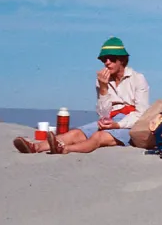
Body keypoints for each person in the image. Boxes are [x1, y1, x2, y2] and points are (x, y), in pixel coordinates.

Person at [13, 37, 149, 154]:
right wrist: (103, 88)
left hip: (129, 124)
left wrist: (117, 124)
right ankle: (35, 147)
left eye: (112, 59)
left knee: (98, 137)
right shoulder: (102, 80)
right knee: (75, 133)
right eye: (104, 59)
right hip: (110, 120)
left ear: (122, 60)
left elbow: (141, 113)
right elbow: (103, 114)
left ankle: (65, 149)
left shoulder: (137, 78)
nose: (107, 62)